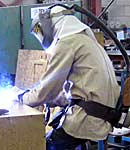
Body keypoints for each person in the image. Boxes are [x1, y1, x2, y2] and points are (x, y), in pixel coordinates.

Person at [18, 5, 121, 150]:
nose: (40, 35)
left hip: (87, 121)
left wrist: (22, 99)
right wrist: (53, 100)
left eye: (39, 30)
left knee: (42, 145)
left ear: (50, 23)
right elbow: (80, 90)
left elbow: (47, 90)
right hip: (103, 117)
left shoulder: (67, 42)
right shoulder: (86, 40)